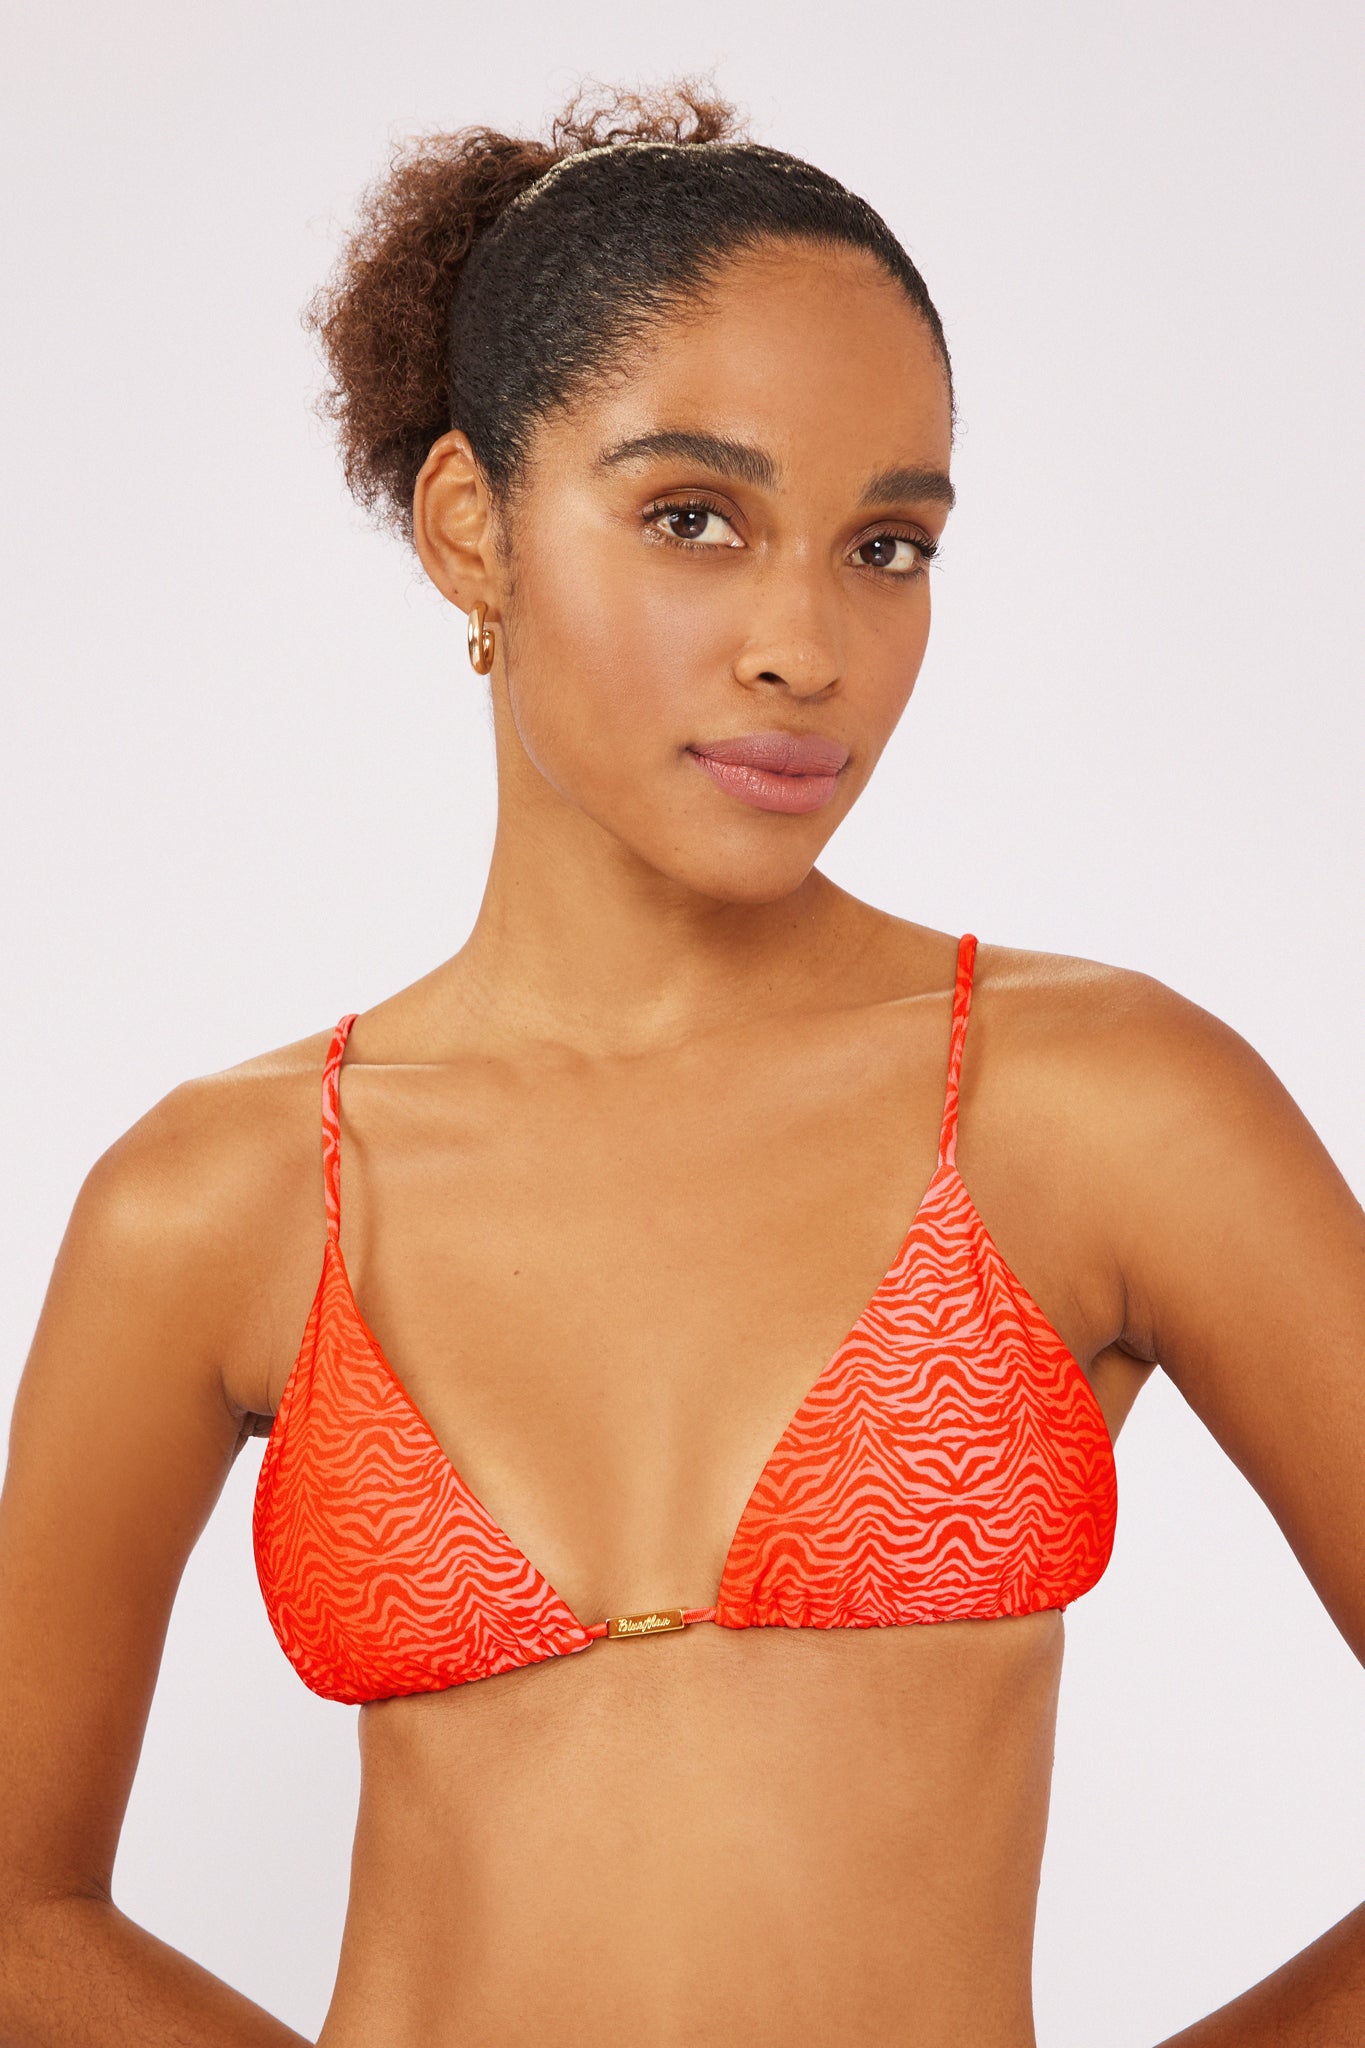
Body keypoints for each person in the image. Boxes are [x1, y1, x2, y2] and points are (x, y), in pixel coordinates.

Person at [0, 80, 1361, 2048]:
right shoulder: (217, 1197)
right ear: (470, 527)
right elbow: (17, 1910)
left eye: (884, 545)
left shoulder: (1099, 1105)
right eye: (692, 519)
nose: (805, 646)